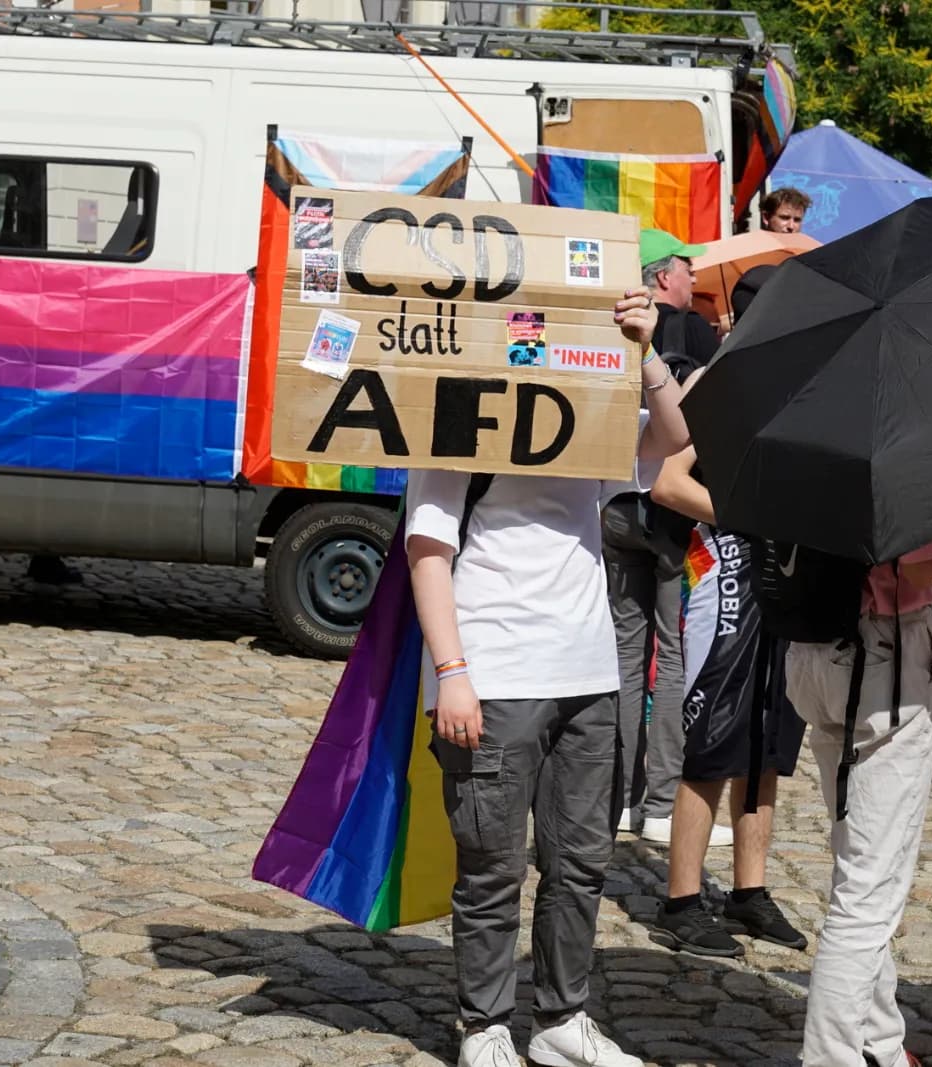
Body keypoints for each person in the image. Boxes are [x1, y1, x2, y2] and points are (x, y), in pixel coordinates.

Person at [407, 290, 688, 1067]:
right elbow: (426, 551)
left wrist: (646, 349)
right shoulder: (453, 422)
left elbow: (671, 440)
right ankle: (484, 1026)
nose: (532, 346)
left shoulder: (587, 417)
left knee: (580, 860)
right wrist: (452, 673)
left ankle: (562, 1018)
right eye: (521, 333)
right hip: (493, 676)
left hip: (588, 676)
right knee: (491, 865)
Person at [646, 265, 809, 959]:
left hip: (780, 572)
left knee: (768, 741)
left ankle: (750, 888)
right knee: (713, 740)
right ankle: (682, 897)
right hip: (725, 571)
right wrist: (751, 517)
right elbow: (668, 482)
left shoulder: (800, 378)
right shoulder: (722, 378)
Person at [785, 527, 932, 1067]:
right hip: (885, 651)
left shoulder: (812, 441)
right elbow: (922, 569)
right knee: (867, 891)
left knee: (860, 863)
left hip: (816, 645)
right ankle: (832, 1057)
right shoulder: (925, 446)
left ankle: (878, 1041)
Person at [605, 229, 730, 844]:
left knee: (626, 658)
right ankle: (659, 804)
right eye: (684, 268)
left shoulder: (609, 329)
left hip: (611, 504)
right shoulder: (695, 338)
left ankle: (621, 798)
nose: (690, 280)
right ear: (661, 278)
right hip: (671, 516)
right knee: (673, 655)